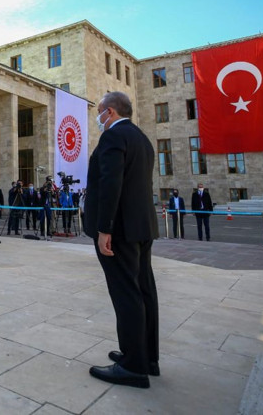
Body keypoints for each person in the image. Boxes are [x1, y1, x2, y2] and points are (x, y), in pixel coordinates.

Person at [85, 92, 159, 389]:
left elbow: (111, 182)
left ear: (111, 112)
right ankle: (145, 356)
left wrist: (105, 229)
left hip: (120, 231)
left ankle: (132, 367)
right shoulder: (141, 138)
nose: (98, 116)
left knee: (126, 293)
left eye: (100, 110)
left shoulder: (113, 137)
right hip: (141, 227)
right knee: (143, 291)